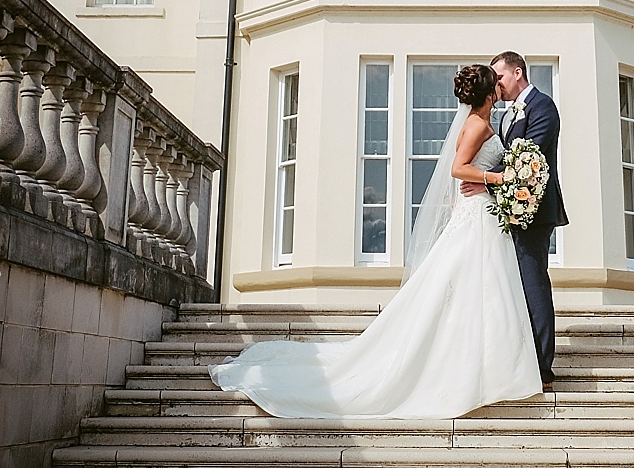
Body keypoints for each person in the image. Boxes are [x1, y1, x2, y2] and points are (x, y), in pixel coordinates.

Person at [208, 64, 542, 418]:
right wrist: (499, 177)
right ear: (490, 94)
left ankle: (488, 369)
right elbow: (458, 168)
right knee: (475, 289)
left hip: (482, 213)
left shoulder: (484, 123)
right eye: (498, 85)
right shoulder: (476, 125)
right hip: (476, 214)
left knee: (482, 293)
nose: (502, 90)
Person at [462, 51, 567, 390]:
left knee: (533, 282)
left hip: (534, 211)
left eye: (501, 77)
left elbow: (529, 158)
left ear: (517, 72)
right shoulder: (505, 115)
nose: (497, 84)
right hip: (509, 208)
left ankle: (542, 366)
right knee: (513, 286)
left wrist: (483, 178)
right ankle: (519, 358)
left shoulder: (542, 107)